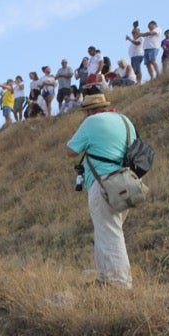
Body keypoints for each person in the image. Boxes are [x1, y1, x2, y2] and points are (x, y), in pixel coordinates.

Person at [66, 92, 137, 288]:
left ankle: (120, 284)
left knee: (110, 232)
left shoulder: (91, 122)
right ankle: (104, 279)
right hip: (126, 182)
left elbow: (70, 151)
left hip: (103, 182)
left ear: (88, 111)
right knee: (107, 230)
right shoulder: (124, 120)